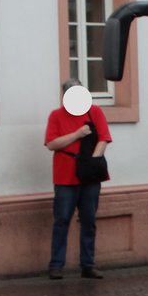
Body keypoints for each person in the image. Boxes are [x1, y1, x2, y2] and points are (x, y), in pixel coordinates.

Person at [44, 80, 111, 279]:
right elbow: (52, 144)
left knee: (89, 220)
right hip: (65, 176)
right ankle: (56, 265)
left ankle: (88, 264)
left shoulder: (95, 111)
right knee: (62, 219)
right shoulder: (56, 115)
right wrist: (77, 134)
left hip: (90, 175)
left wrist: (93, 160)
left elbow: (104, 138)